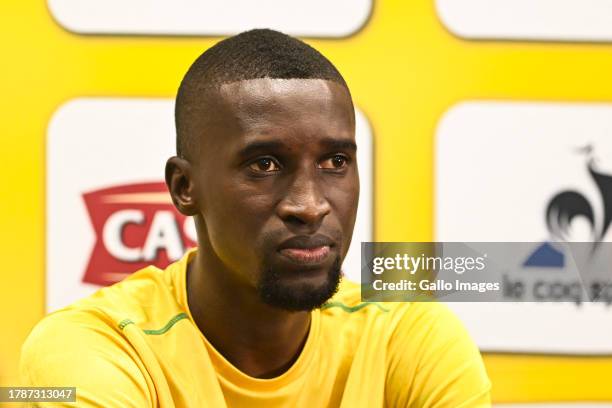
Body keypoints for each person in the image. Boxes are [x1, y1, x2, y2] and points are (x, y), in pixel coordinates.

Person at [20, 29, 491, 407]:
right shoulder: (91, 348)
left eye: (335, 162)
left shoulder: (408, 333)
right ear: (185, 188)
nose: (310, 205)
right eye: (264, 164)